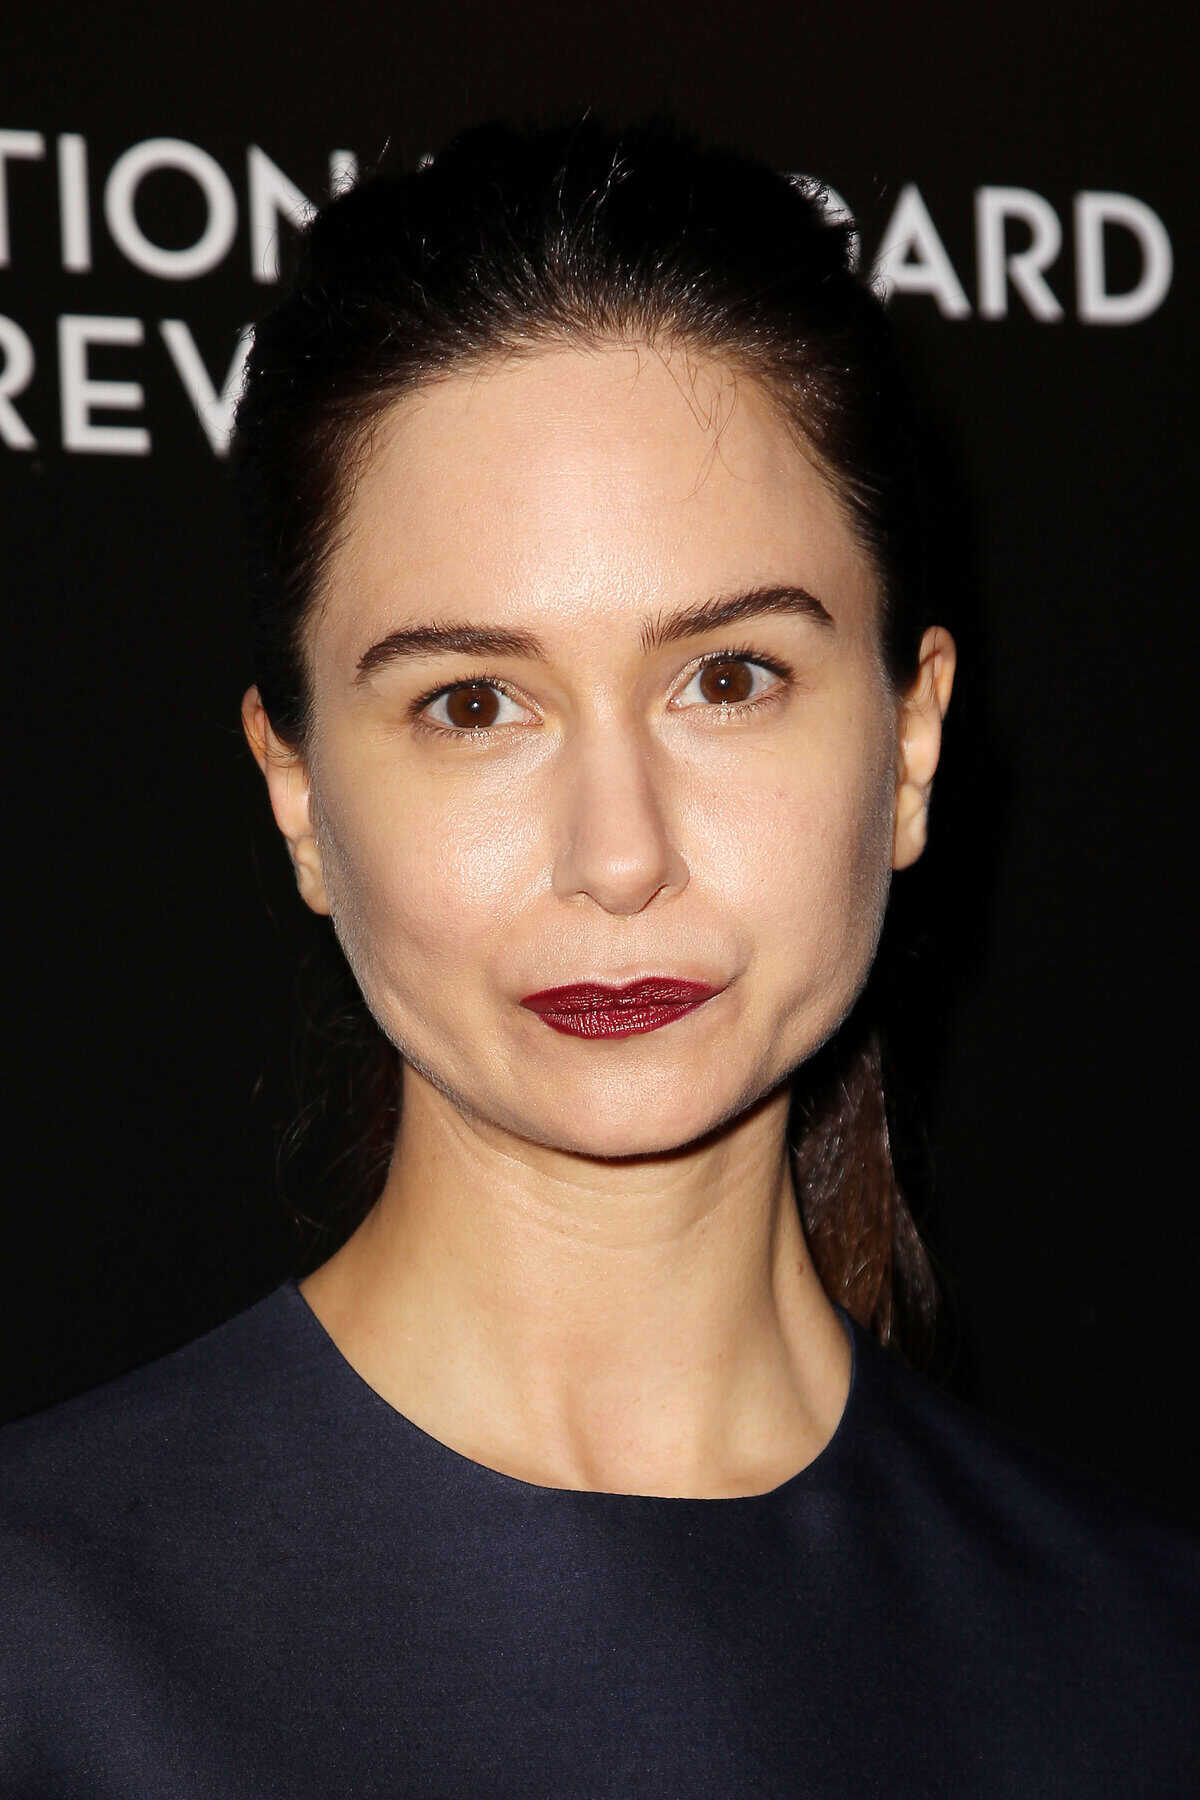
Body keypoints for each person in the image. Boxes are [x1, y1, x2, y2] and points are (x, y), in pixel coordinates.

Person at [1, 116, 1195, 1797]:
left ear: (912, 743)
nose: (618, 853)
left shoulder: (1141, 1661)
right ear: (299, 797)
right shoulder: (42, 1647)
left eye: (730, 679)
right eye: (472, 704)